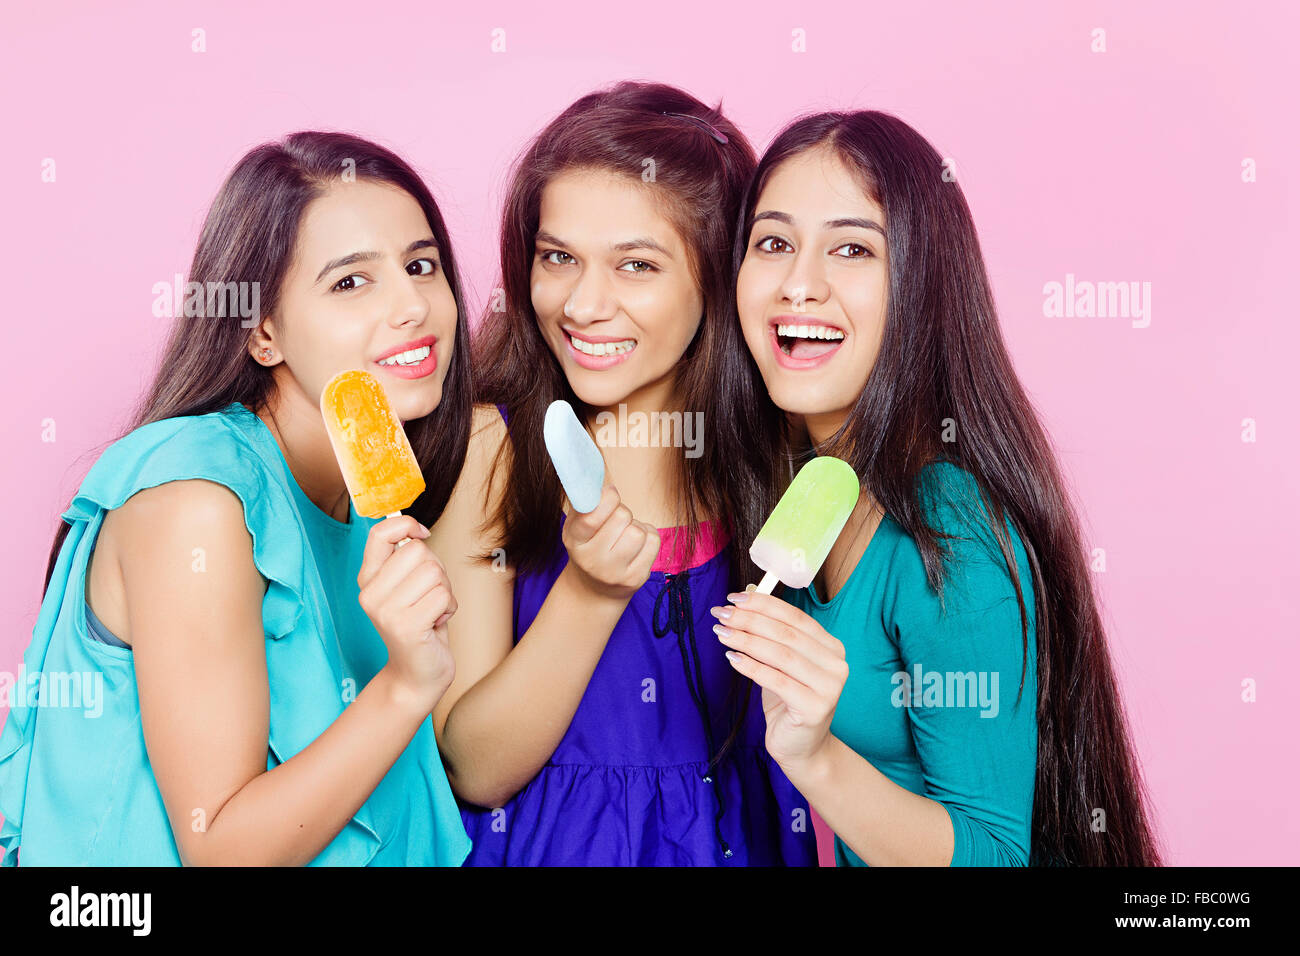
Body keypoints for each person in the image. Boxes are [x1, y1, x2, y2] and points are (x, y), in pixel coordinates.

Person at [0, 131, 474, 866]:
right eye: (351, 281)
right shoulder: (196, 500)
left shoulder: (373, 505)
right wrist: (408, 685)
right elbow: (222, 851)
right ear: (262, 332)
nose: (413, 304)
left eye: (421, 265)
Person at [715, 110, 1164, 866]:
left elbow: (995, 853)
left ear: (924, 282)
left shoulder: (949, 525)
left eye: (852, 248)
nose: (799, 283)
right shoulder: (802, 492)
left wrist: (815, 758)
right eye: (774, 242)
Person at [431, 82, 817, 865]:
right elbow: (474, 768)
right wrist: (590, 591)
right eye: (558, 259)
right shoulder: (493, 450)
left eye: (636, 265)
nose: (582, 304)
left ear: (717, 278)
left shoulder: (777, 464)